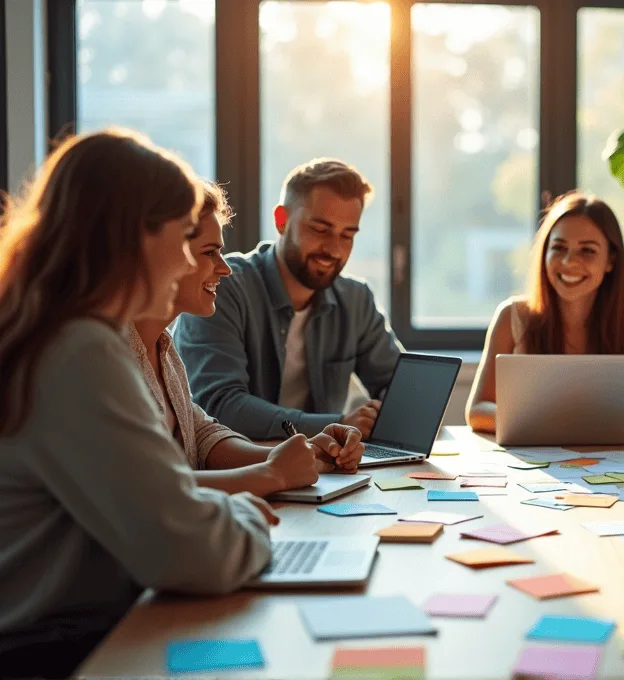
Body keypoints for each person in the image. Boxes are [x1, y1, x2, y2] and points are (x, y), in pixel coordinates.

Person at [0, 129, 274, 677]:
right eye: (179, 239)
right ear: (130, 237)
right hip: (54, 650)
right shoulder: (79, 350)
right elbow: (189, 553)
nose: (182, 264)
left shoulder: (56, 333)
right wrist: (246, 512)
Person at [129, 181, 364, 497]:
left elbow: (202, 435)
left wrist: (305, 453)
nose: (224, 269)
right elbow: (144, 487)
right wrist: (271, 474)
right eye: (210, 252)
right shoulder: (108, 358)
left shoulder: (164, 347)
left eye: (347, 235)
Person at [174, 158, 403, 441]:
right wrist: (337, 423)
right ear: (281, 221)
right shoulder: (221, 287)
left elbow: (398, 385)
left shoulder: (355, 299)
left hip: (325, 468)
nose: (333, 249)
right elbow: (220, 406)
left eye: (347, 235)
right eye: (320, 230)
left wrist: (385, 412)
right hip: (242, 463)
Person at [466, 191, 624, 432]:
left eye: (587, 250)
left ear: (611, 260)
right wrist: (557, 424)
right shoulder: (511, 316)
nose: (569, 261)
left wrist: (573, 424)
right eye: (559, 248)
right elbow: (477, 410)